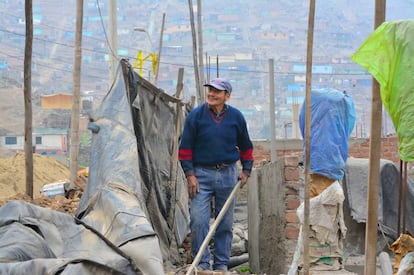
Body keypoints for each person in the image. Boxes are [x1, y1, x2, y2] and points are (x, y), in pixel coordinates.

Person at [178, 77, 254, 272]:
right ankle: (202, 265)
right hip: (201, 174)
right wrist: (190, 174)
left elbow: (246, 146)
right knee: (198, 220)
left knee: (225, 223)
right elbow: (184, 149)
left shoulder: (236, 117)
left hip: (228, 174)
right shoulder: (196, 116)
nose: (211, 94)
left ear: (226, 96)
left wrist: (246, 170)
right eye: (210, 90)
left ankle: (221, 266)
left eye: (217, 91)